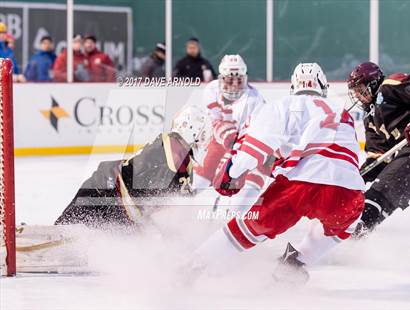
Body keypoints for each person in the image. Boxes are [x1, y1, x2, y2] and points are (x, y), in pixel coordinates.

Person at [192, 63, 365, 283]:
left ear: (294, 85)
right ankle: (296, 262)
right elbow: (349, 160)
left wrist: (231, 172)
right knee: (346, 224)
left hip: (298, 188)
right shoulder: (342, 112)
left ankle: (192, 267)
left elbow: (257, 145)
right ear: (323, 86)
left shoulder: (284, 104)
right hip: (348, 190)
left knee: (244, 229)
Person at [55, 105, 211, 227]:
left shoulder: (180, 155)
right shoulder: (173, 152)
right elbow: (162, 201)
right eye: (202, 134)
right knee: (65, 231)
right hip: (104, 191)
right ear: (191, 129)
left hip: (115, 201)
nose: (204, 141)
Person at [347, 62, 410, 237]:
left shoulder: (389, 86)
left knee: (379, 192)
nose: (357, 95)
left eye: (360, 89)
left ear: (372, 83)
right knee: (385, 200)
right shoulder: (370, 118)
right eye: (355, 91)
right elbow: (378, 158)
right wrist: (355, 178)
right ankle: (350, 242)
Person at [192, 54, 270, 214]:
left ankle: (228, 218)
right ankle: (173, 209)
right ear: (221, 78)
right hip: (219, 141)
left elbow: (256, 134)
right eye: (229, 80)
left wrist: (237, 154)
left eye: (239, 80)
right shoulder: (212, 90)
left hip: (244, 147)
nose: (234, 85)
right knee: (198, 182)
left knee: (236, 189)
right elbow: (215, 123)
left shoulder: (255, 99)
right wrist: (229, 140)